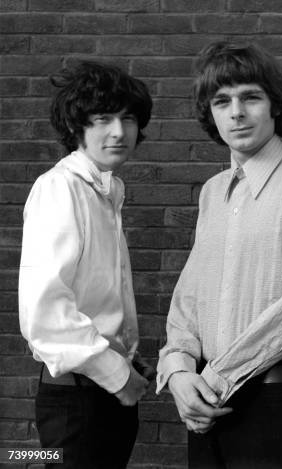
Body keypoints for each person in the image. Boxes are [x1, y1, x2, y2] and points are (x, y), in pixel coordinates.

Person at [156, 41, 282, 468]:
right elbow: (188, 301)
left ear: (275, 106)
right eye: (222, 101)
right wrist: (177, 371)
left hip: (274, 403)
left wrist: (215, 379)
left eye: (251, 97)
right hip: (204, 406)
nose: (237, 112)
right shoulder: (212, 192)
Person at [19, 61, 155, 469]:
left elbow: (94, 296)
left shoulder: (107, 191)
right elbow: (45, 313)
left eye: (128, 119)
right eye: (102, 119)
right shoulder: (60, 188)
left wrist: (125, 356)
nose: (118, 132)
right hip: (77, 402)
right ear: (78, 126)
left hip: (103, 394)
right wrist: (119, 374)